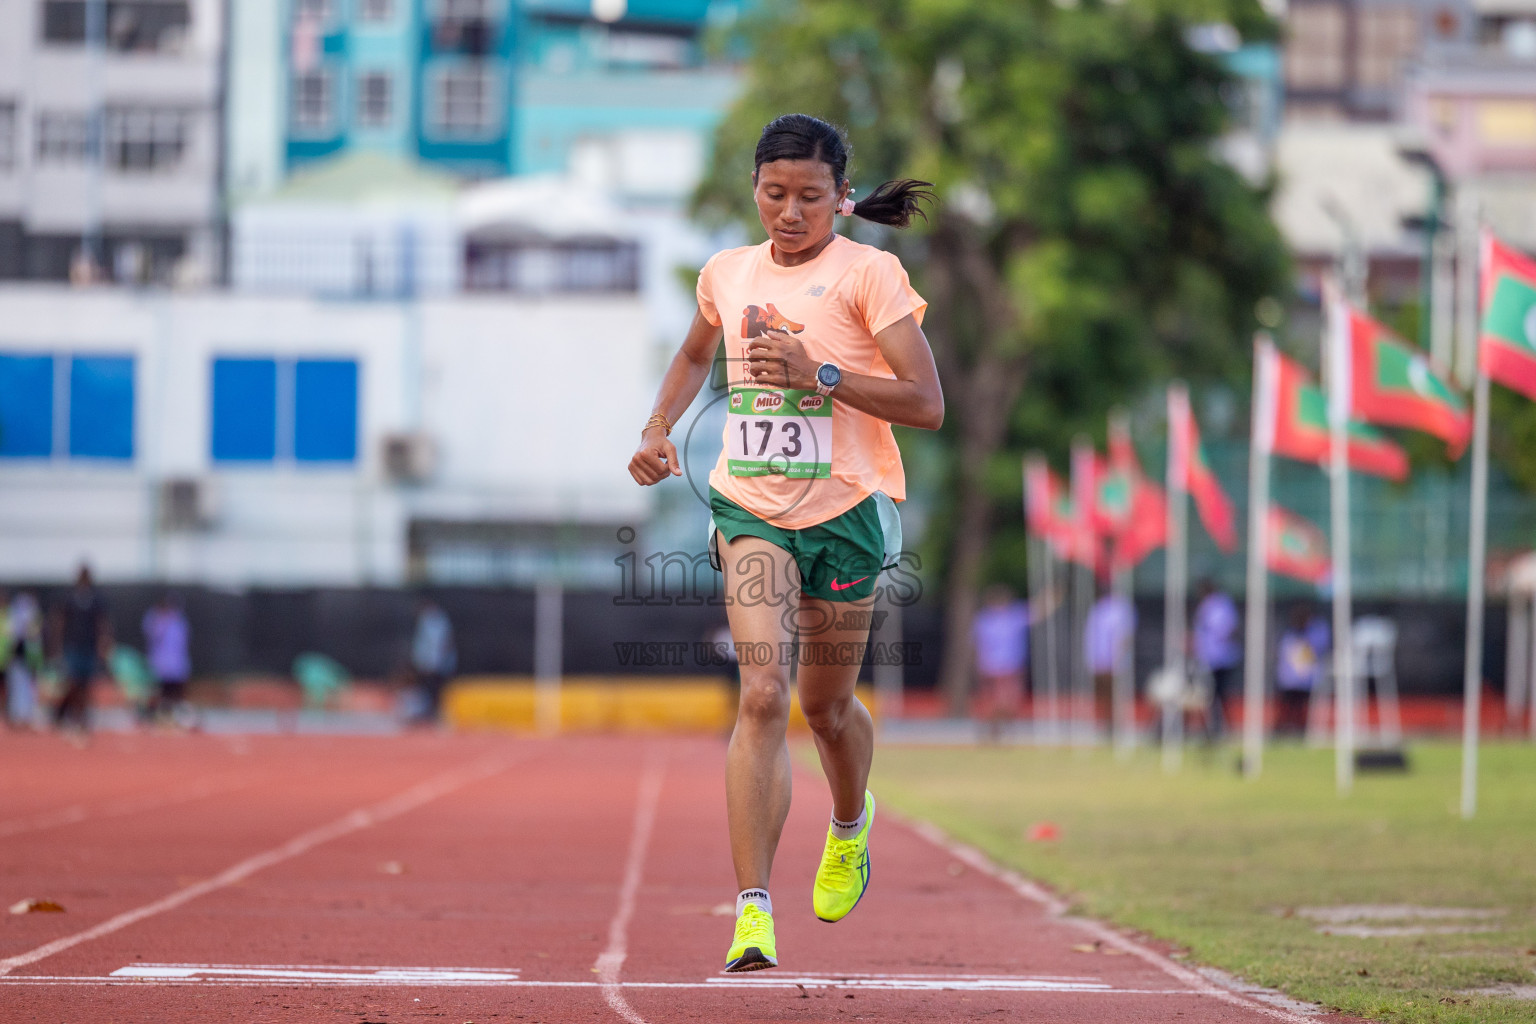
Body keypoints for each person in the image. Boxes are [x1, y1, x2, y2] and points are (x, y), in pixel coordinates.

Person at [628, 113, 940, 973]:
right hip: (750, 506)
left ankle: (850, 825)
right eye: (774, 194)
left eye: (809, 196)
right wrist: (658, 427)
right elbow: (696, 354)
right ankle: (753, 911)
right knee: (762, 693)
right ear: (755, 191)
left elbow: (926, 403)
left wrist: (822, 375)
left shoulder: (871, 275)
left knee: (824, 708)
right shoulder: (727, 273)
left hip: (848, 511)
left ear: (843, 196)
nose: (790, 213)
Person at [52, 565, 112, 735]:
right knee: (73, 683)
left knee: (86, 685)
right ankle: (69, 714)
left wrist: (104, 643)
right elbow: (60, 621)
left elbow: (103, 623)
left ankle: (82, 718)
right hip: (72, 647)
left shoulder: (96, 599)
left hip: (89, 647)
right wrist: (57, 646)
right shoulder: (69, 597)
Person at [971, 586, 1029, 738]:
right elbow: (977, 644)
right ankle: (994, 728)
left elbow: (1039, 610)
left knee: (1009, 701)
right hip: (992, 668)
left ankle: (1000, 728)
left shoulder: (1014, 617)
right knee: (997, 701)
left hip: (1010, 667)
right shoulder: (984, 620)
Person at [1192, 578, 1241, 740]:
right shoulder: (1210, 605)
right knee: (1212, 696)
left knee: (1218, 695)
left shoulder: (1219, 605)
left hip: (1219, 658)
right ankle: (1214, 727)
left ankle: (1219, 728)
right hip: (1209, 657)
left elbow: (1226, 629)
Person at [1274, 605, 1327, 737]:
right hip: (1289, 681)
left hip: (1306, 681)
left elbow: (1316, 654)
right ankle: (1283, 730)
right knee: (1287, 708)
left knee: (1303, 709)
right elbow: (1285, 658)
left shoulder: (1315, 634)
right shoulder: (1289, 636)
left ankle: (1300, 730)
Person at [1084, 591, 1135, 726]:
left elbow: (1126, 636)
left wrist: (1118, 657)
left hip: (1115, 659)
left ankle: (1117, 723)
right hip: (1100, 659)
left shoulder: (1122, 607)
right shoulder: (1097, 608)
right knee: (1103, 693)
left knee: (1115, 693)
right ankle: (1107, 722)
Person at [142, 593, 192, 727]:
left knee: (175, 695)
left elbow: (182, 644)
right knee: (159, 694)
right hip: (160, 667)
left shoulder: (180, 622)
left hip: (176, 667)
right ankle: (154, 718)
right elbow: (151, 634)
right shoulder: (155, 620)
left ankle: (174, 719)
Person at [409, 599, 456, 724]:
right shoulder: (424, 621)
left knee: (437, 689)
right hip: (427, 663)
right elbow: (423, 644)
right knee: (426, 688)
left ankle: (437, 713)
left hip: (437, 664)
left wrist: (438, 662)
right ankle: (427, 712)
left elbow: (444, 643)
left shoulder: (440, 622)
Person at [5, 592, 43, 728]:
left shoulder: (29, 616)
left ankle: (26, 716)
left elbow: (34, 638)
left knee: (28, 687)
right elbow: (12, 636)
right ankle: (19, 715)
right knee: (18, 686)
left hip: (28, 657)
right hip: (19, 656)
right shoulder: (16, 615)